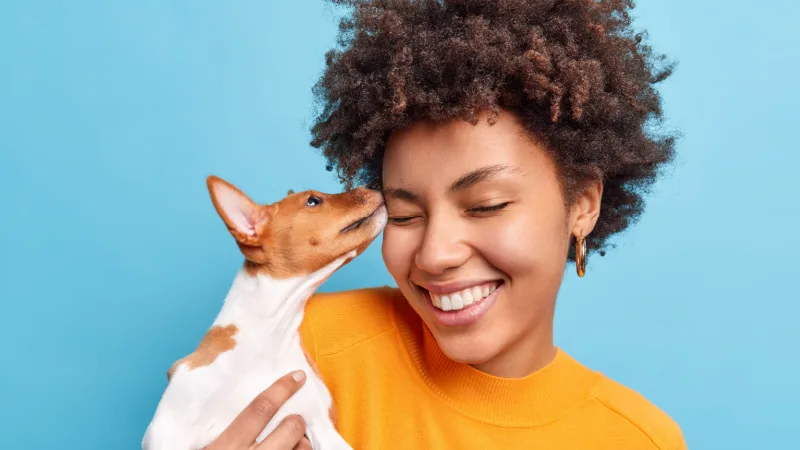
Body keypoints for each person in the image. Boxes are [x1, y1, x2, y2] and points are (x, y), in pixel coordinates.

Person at [203, 0, 686, 448]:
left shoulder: (638, 438)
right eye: (406, 215)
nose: (434, 254)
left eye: (485, 205)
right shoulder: (300, 345)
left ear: (582, 205)